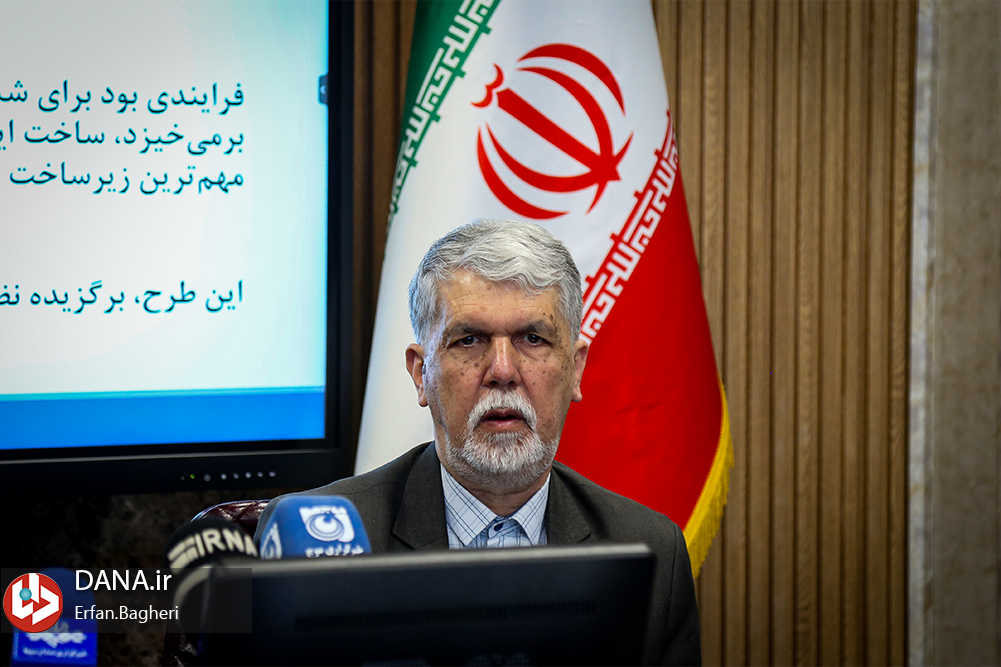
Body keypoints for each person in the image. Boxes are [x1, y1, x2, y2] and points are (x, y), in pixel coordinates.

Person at [255, 219, 701, 665]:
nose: (502, 370)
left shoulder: (653, 550)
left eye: (533, 339)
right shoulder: (319, 546)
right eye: (468, 340)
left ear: (576, 368)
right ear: (421, 374)